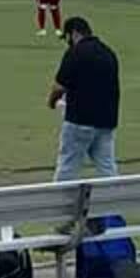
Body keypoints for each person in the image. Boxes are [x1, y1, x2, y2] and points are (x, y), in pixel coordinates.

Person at [48, 16, 120, 180]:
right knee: (107, 168)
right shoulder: (108, 52)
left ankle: (61, 204)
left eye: (66, 37)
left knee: (68, 167)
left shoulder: (75, 52)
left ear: (73, 33)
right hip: (106, 120)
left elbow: (59, 87)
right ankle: (114, 204)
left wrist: (52, 102)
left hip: (79, 121)